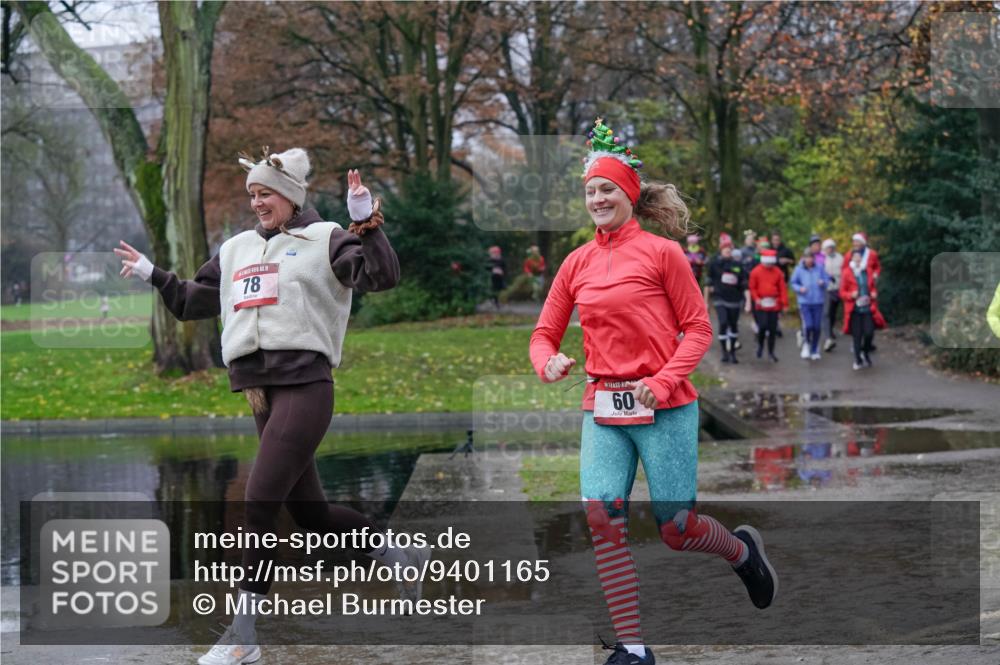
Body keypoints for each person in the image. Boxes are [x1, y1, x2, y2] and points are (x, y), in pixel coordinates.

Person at [115, 147, 426, 665]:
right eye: (252, 195)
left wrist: (364, 222)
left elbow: (379, 277)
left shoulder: (325, 238)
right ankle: (399, 554)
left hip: (306, 387)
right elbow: (196, 300)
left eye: (266, 194)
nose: (257, 202)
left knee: (258, 499)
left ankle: (243, 638)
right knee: (310, 515)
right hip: (261, 393)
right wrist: (154, 273)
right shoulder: (236, 249)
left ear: (290, 196)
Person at [530, 118, 777, 665]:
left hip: (665, 406)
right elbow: (544, 334)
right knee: (602, 514)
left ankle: (742, 552)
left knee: (676, 529)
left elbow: (699, 329)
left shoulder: (663, 253)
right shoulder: (576, 263)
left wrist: (662, 380)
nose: (597, 198)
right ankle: (634, 649)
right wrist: (549, 362)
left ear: (629, 194)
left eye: (607, 189)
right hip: (603, 405)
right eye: (590, 190)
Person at [840, 249, 886, 370]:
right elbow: (842, 292)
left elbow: (872, 287)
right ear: (851, 259)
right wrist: (851, 295)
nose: (858, 259)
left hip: (868, 308)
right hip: (854, 309)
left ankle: (865, 352)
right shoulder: (846, 273)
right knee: (857, 335)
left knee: (869, 333)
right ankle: (857, 359)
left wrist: (874, 293)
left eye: (859, 257)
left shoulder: (868, 271)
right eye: (855, 257)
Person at [707, 232, 746, 363]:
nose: (728, 251)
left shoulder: (738, 265)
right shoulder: (714, 264)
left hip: (734, 300)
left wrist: (747, 301)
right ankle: (724, 353)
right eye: (725, 249)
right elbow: (708, 281)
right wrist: (705, 301)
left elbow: (744, 283)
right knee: (723, 323)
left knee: (733, 325)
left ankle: (733, 353)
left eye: (729, 249)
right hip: (719, 299)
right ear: (721, 250)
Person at [748, 249, 787, 362]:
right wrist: (756, 299)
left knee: (773, 329)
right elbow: (752, 287)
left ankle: (771, 352)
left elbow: (782, 288)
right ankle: (760, 345)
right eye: (767, 263)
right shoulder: (756, 271)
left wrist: (783, 303)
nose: (769, 265)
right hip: (761, 304)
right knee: (763, 326)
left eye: (771, 263)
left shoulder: (777, 272)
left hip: (774, 304)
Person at [790, 250, 828, 360]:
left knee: (817, 327)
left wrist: (823, 282)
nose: (809, 260)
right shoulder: (798, 269)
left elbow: (827, 279)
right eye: (807, 258)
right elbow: (793, 283)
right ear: (803, 258)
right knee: (809, 325)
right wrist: (799, 288)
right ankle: (806, 344)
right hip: (804, 302)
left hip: (818, 301)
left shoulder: (820, 268)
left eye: (811, 257)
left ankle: (815, 349)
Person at [822, 239, 843, 351]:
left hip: (838, 288)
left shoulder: (840, 258)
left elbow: (844, 271)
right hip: (826, 288)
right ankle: (828, 334)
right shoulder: (822, 258)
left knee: (833, 311)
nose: (830, 249)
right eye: (828, 247)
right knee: (827, 311)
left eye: (831, 247)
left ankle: (831, 329)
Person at [487, 245, 506, 309]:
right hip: (492, 278)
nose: (494, 255)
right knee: (493, 290)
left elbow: (504, 268)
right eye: (492, 254)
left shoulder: (501, 260)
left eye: (496, 253)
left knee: (500, 290)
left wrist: (502, 271)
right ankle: (494, 301)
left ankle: (498, 302)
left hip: (500, 278)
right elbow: (487, 268)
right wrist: (493, 270)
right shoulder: (489, 260)